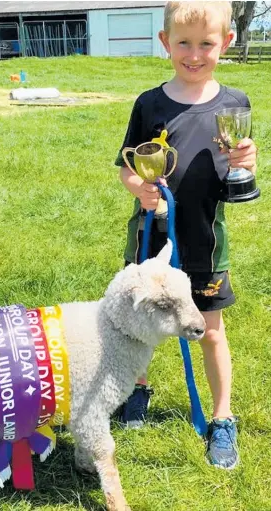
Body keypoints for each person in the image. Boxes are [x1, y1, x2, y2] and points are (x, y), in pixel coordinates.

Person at [115, 1, 258, 470]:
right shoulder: (149, 104)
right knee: (139, 324)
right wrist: (142, 191)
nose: (193, 55)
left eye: (206, 44)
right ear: (165, 43)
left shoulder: (235, 102)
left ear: (227, 43)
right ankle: (137, 389)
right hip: (150, 240)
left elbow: (238, 162)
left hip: (204, 240)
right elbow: (127, 169)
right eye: (183, 43)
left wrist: (246, 163)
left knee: (211, 332)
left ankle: (222, 417)